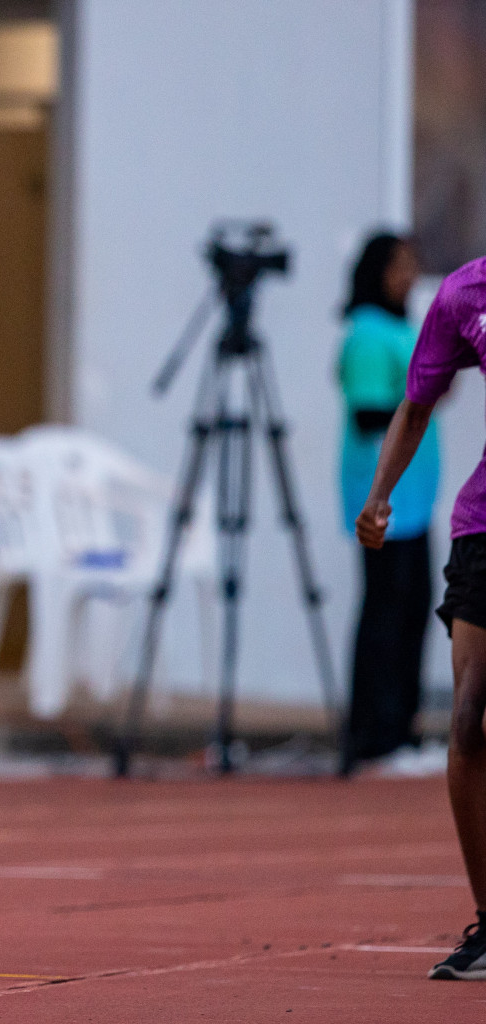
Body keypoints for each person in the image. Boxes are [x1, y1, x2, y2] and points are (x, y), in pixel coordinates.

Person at [358, 255, 486, 980]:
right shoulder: (466, 292)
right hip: (483, 530)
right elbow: (417, 401)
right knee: (469, 721)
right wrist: (381, 494)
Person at [338, 233, 438, 773]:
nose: (409, 275)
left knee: (414, 606)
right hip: (380, 500)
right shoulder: (367, 335)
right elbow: (368, 415)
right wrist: (422, 399)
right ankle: (372, 731)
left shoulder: (402, 328)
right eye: (399, 265)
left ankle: (401, 725)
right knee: (385, 608)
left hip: (415, 499)